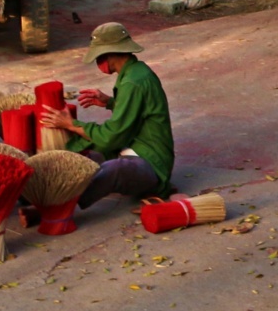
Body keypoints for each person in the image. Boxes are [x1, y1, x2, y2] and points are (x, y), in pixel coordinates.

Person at [38, 21, 176, 208]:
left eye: (98, 57)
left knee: (113, 170)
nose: (97, 62)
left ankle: (57, 205)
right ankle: (46, 188)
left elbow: (112, 136)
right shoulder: (133, 73)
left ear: (111, 53)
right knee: (82, 158)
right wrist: (110, 102)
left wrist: (71, 125)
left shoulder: (134, 81)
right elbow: (138, 111)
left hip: (151, 161)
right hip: (131, 147)